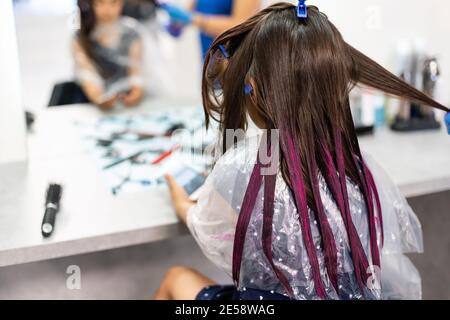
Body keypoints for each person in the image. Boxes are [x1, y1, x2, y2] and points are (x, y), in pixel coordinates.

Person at [155, 3, 450, 300]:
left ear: (253, 89)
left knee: (176, 278)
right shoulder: (359, 169)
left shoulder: (242, 167)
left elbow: (213, 236)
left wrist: (184, 205)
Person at [73, 0, 145, 109]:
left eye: (113, 2)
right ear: (90, 4)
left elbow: (136, 72)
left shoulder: (132, 33)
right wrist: (99, 99)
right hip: (91, 104)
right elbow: (87, 75)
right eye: (100, 3)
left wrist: (136, 93)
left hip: (129, 103)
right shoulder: (81, 38)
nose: (107, 10)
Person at [161, 0, 260, 59]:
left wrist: (193, 19)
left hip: (235, 61)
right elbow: (188, 11)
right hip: (208, 61)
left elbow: (242, 26)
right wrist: (176, 23)